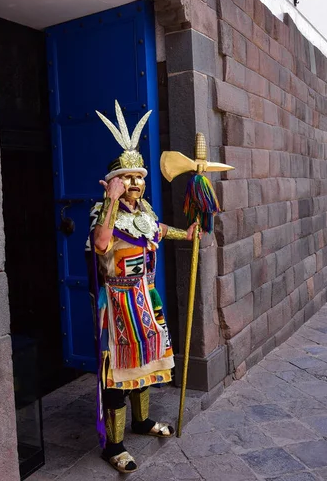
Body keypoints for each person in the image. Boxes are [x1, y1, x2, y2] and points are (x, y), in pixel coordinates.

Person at [85, 102, 197, 474]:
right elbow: (102, 244)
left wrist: (187, 233)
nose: (135, 183)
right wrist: (111, 200)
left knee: (147, 363)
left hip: (147, 297)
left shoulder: (145, 210)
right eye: (127, 177)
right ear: (115, 180)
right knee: (119, 371)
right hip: (118, 303)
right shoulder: (104, 210)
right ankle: (113, 445)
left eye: (139, 177)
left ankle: (142, 422)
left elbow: (158, 230)